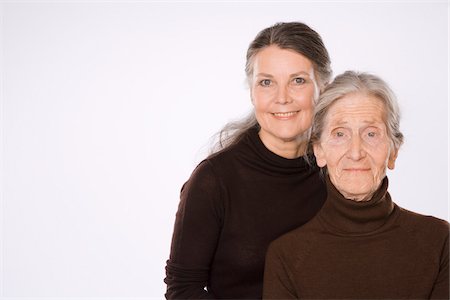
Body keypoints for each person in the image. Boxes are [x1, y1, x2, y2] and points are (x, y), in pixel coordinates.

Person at [164, 22, 332, 299]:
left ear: (323, 87)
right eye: (266, 82)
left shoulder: (338, 169)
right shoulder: (214, 180)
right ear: (252, 91)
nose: (282, 98)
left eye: (298, 80)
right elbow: (183, 290)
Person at [263, 71, 449, 299]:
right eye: (340, 134)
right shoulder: (286, 255)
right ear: (319, 151)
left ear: (394, 151)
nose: (355, 152)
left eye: (371, 134)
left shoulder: (439, 241)